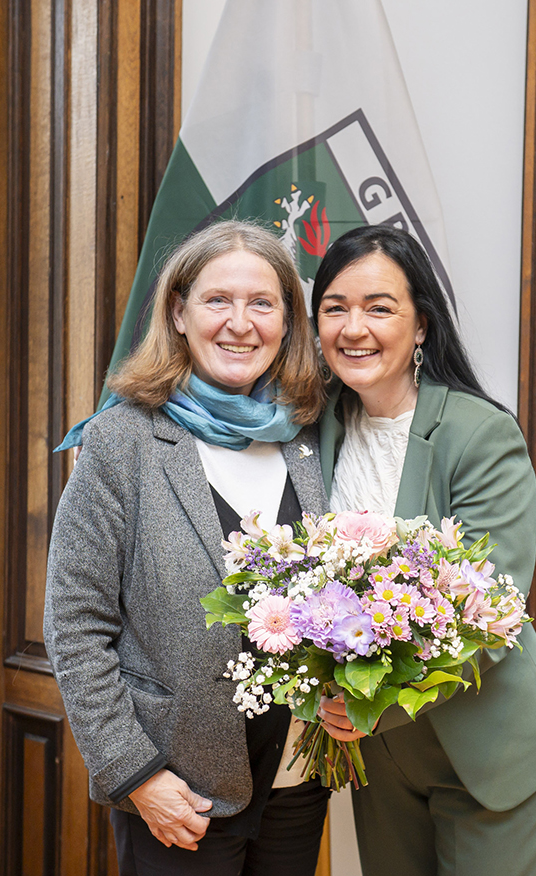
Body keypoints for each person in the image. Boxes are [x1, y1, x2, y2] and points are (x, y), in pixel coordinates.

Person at [44, 220, 330, 876]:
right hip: (179, 788)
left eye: (262, 303)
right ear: (178, 311)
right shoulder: (121, 442)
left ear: (287, 321)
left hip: (296, 780)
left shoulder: (306, 435)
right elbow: (74, 626)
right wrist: (135, 774)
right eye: (217, 300)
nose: (240, 322)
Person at [310, 225, 536, 876]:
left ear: (422, 325)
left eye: (379, 307)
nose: (353, 327)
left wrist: (372, 707)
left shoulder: (479, 434)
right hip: (378, 760)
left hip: (487, 747)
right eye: (335, 308)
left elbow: (491, 610)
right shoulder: (310, 430)